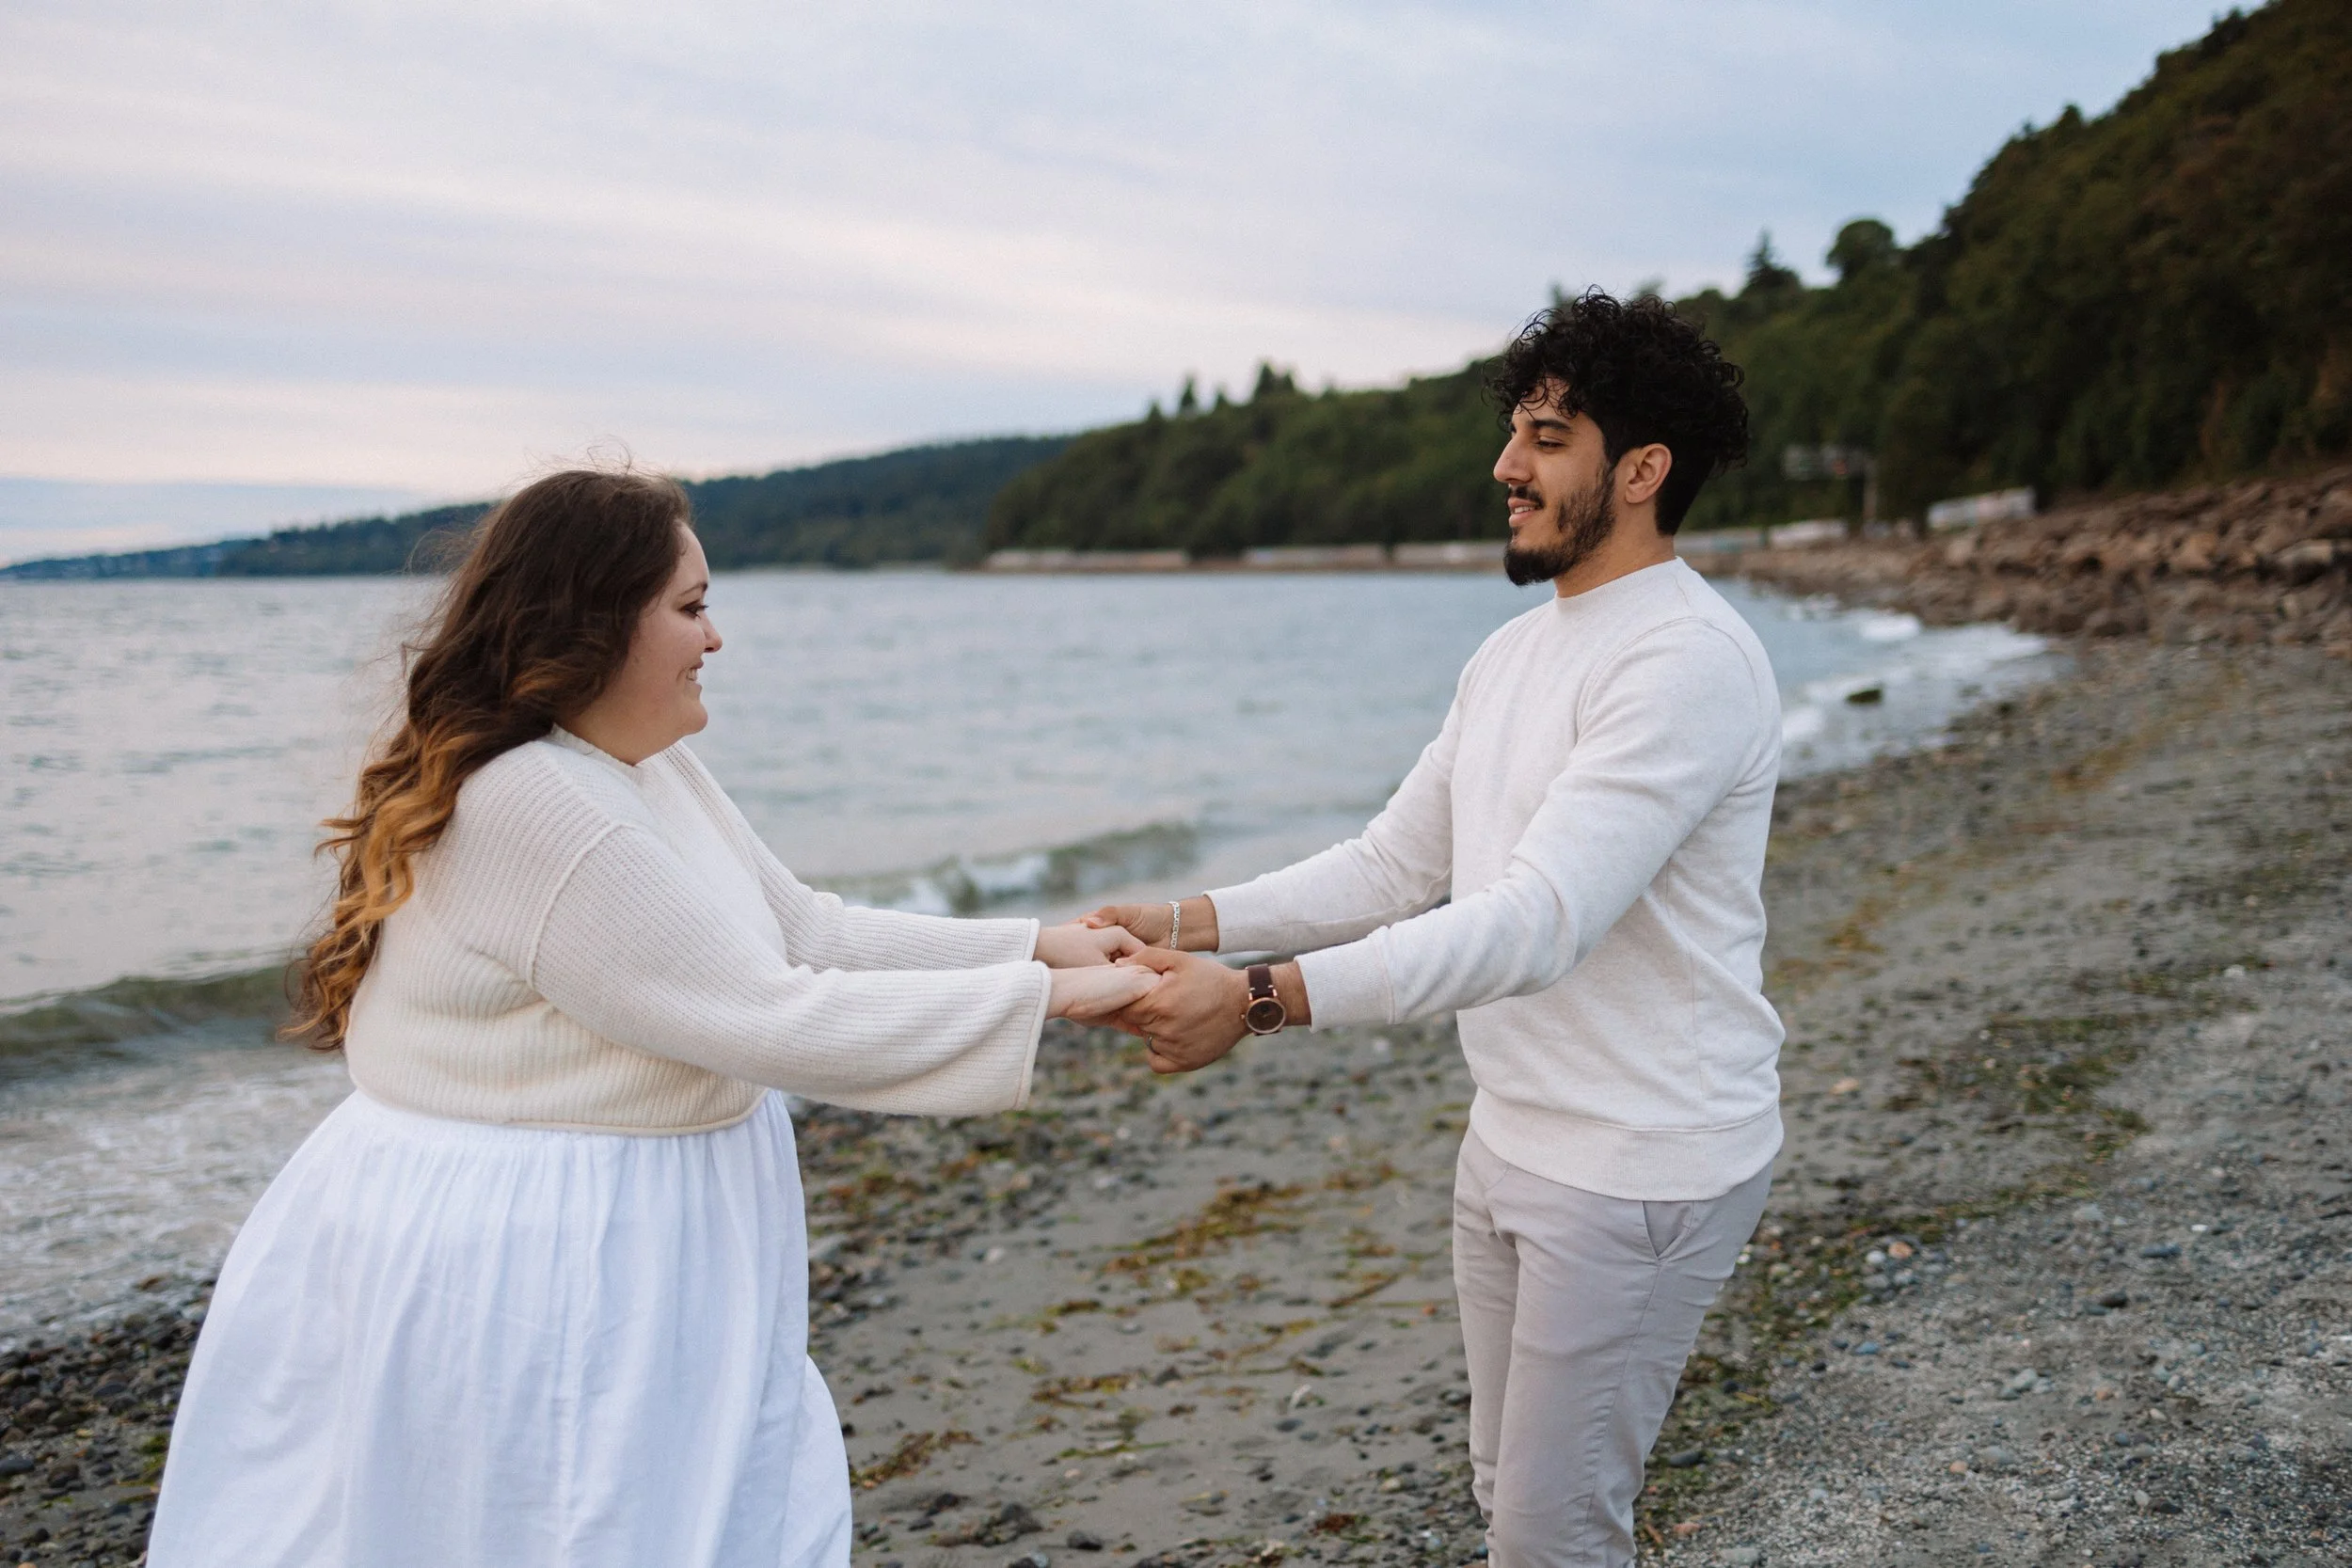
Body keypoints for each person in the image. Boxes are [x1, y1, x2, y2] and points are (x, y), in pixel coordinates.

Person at [146, 468, 1156, 1568]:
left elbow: (800, 930)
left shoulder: (642, 767)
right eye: (689, 606)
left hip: (631, 1213)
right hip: (532, 1238)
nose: (715, 637)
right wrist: (1048, 998)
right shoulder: (533, 801)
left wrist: (1033, 944)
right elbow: (766, 1016)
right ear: (593, 620)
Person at [1089, 291, 1780, 1568]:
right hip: (1510, 1135)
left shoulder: (1684, 660)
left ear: (1642, 470)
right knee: (1503, 1489)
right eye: (1514, 432)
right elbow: (1393, 866)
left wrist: (1254, 998)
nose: (1506, 465)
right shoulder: (1513, 654)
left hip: (1640, 1161)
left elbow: (1534, 924)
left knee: (1550, 1532)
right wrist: (1179, 916)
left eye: (1546, 438)